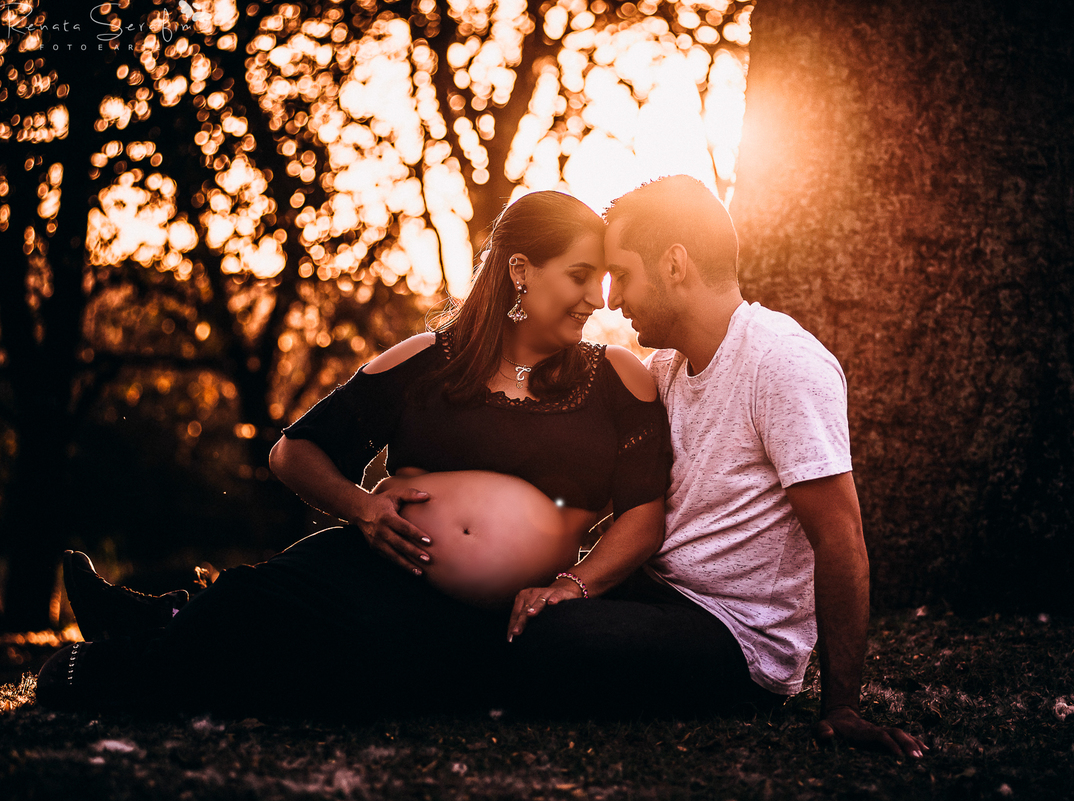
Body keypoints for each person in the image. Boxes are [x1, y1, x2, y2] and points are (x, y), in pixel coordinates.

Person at [36, 190, 672, 715]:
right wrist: (364, 510)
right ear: (521, 271)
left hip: (494, 618)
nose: (598, 300)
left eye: (602, 280)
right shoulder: (425, 362)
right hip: (375, 576)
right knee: (249, 605)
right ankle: (118, 660)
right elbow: (294, 452)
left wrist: (573, 584)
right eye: (580, 277)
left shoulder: (617, 378)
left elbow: (644, 513)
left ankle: (160, 620)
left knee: (351, 667)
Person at [506, 176, 928, 757]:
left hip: (735, 634)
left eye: (622, 275)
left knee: (556, 639)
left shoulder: (781, 362)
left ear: (674, 264)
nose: (612, 299)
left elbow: (840, 538)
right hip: (654, 593)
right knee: (516, 604)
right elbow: (596, 486)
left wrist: (842, 707)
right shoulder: (664, 369)